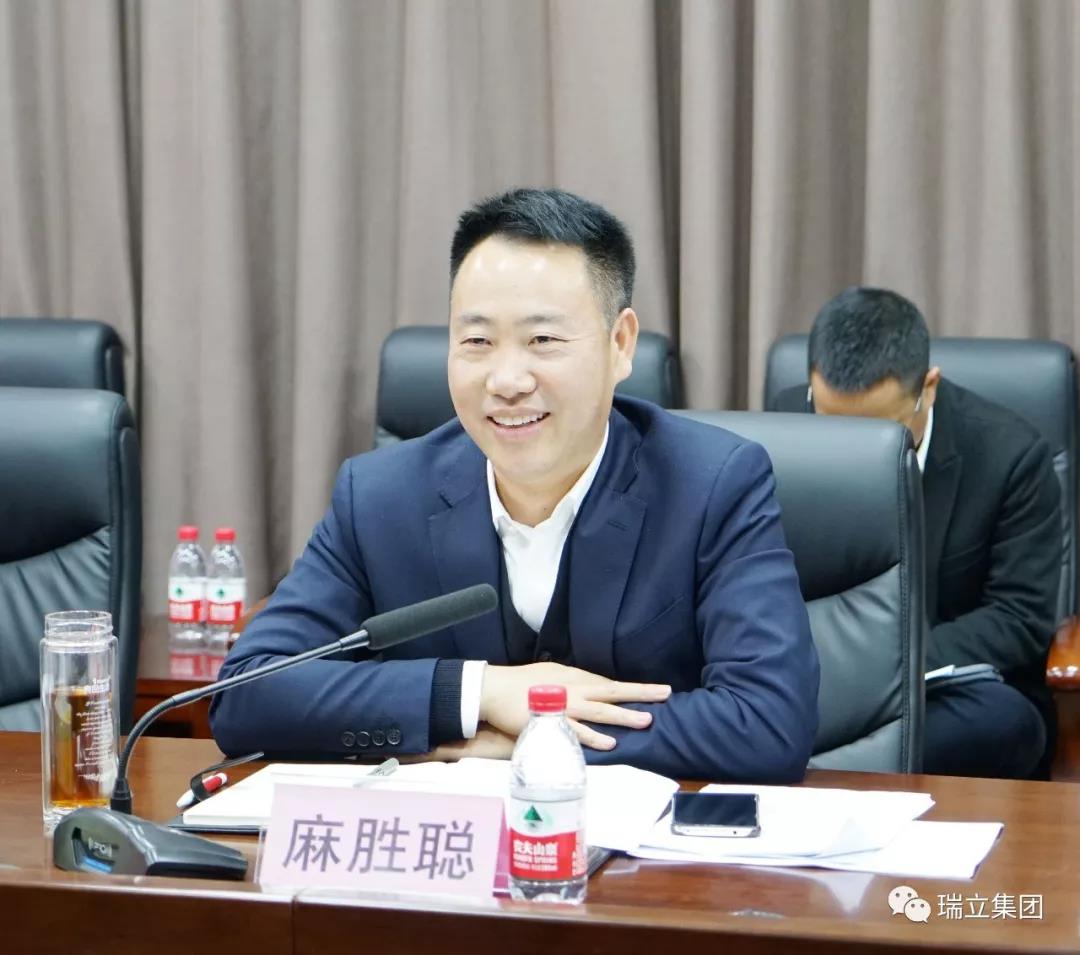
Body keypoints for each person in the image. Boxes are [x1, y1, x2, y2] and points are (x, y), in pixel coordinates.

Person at [211, 187, 820, 782]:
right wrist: (480, 692)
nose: (506, 381)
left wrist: (525, 742)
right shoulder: (378, 497)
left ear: (620, 344)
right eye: (476, 341)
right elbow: (246, 695)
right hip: (443, 846)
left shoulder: (712, 485)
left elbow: (769, 723)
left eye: (543, 341)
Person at [770, 286, 1060, 778]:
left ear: (928, 388)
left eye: (876, 430)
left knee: (1004, 723)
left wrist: (884, 668)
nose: (851, 449)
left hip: (936, 689)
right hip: (811, 681)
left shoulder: (1010, 457)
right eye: (830, 423)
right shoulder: (784, 424)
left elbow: (1019, 617)